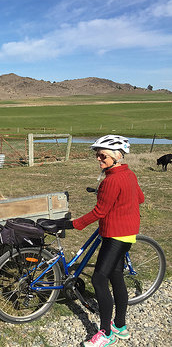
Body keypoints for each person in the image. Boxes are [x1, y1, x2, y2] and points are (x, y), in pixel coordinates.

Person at [70, 135, 144, 347]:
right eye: (97, 155)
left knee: (99, 280)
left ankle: (106, 333)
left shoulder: (111, 180)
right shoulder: (129, 174)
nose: (98, 159)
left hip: (115, 235)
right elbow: (140, 198)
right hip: (129, 233)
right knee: (116, 275)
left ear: (117, 157)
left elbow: (99, 211)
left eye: (102, 155)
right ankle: (120, 326)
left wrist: (75, 224)